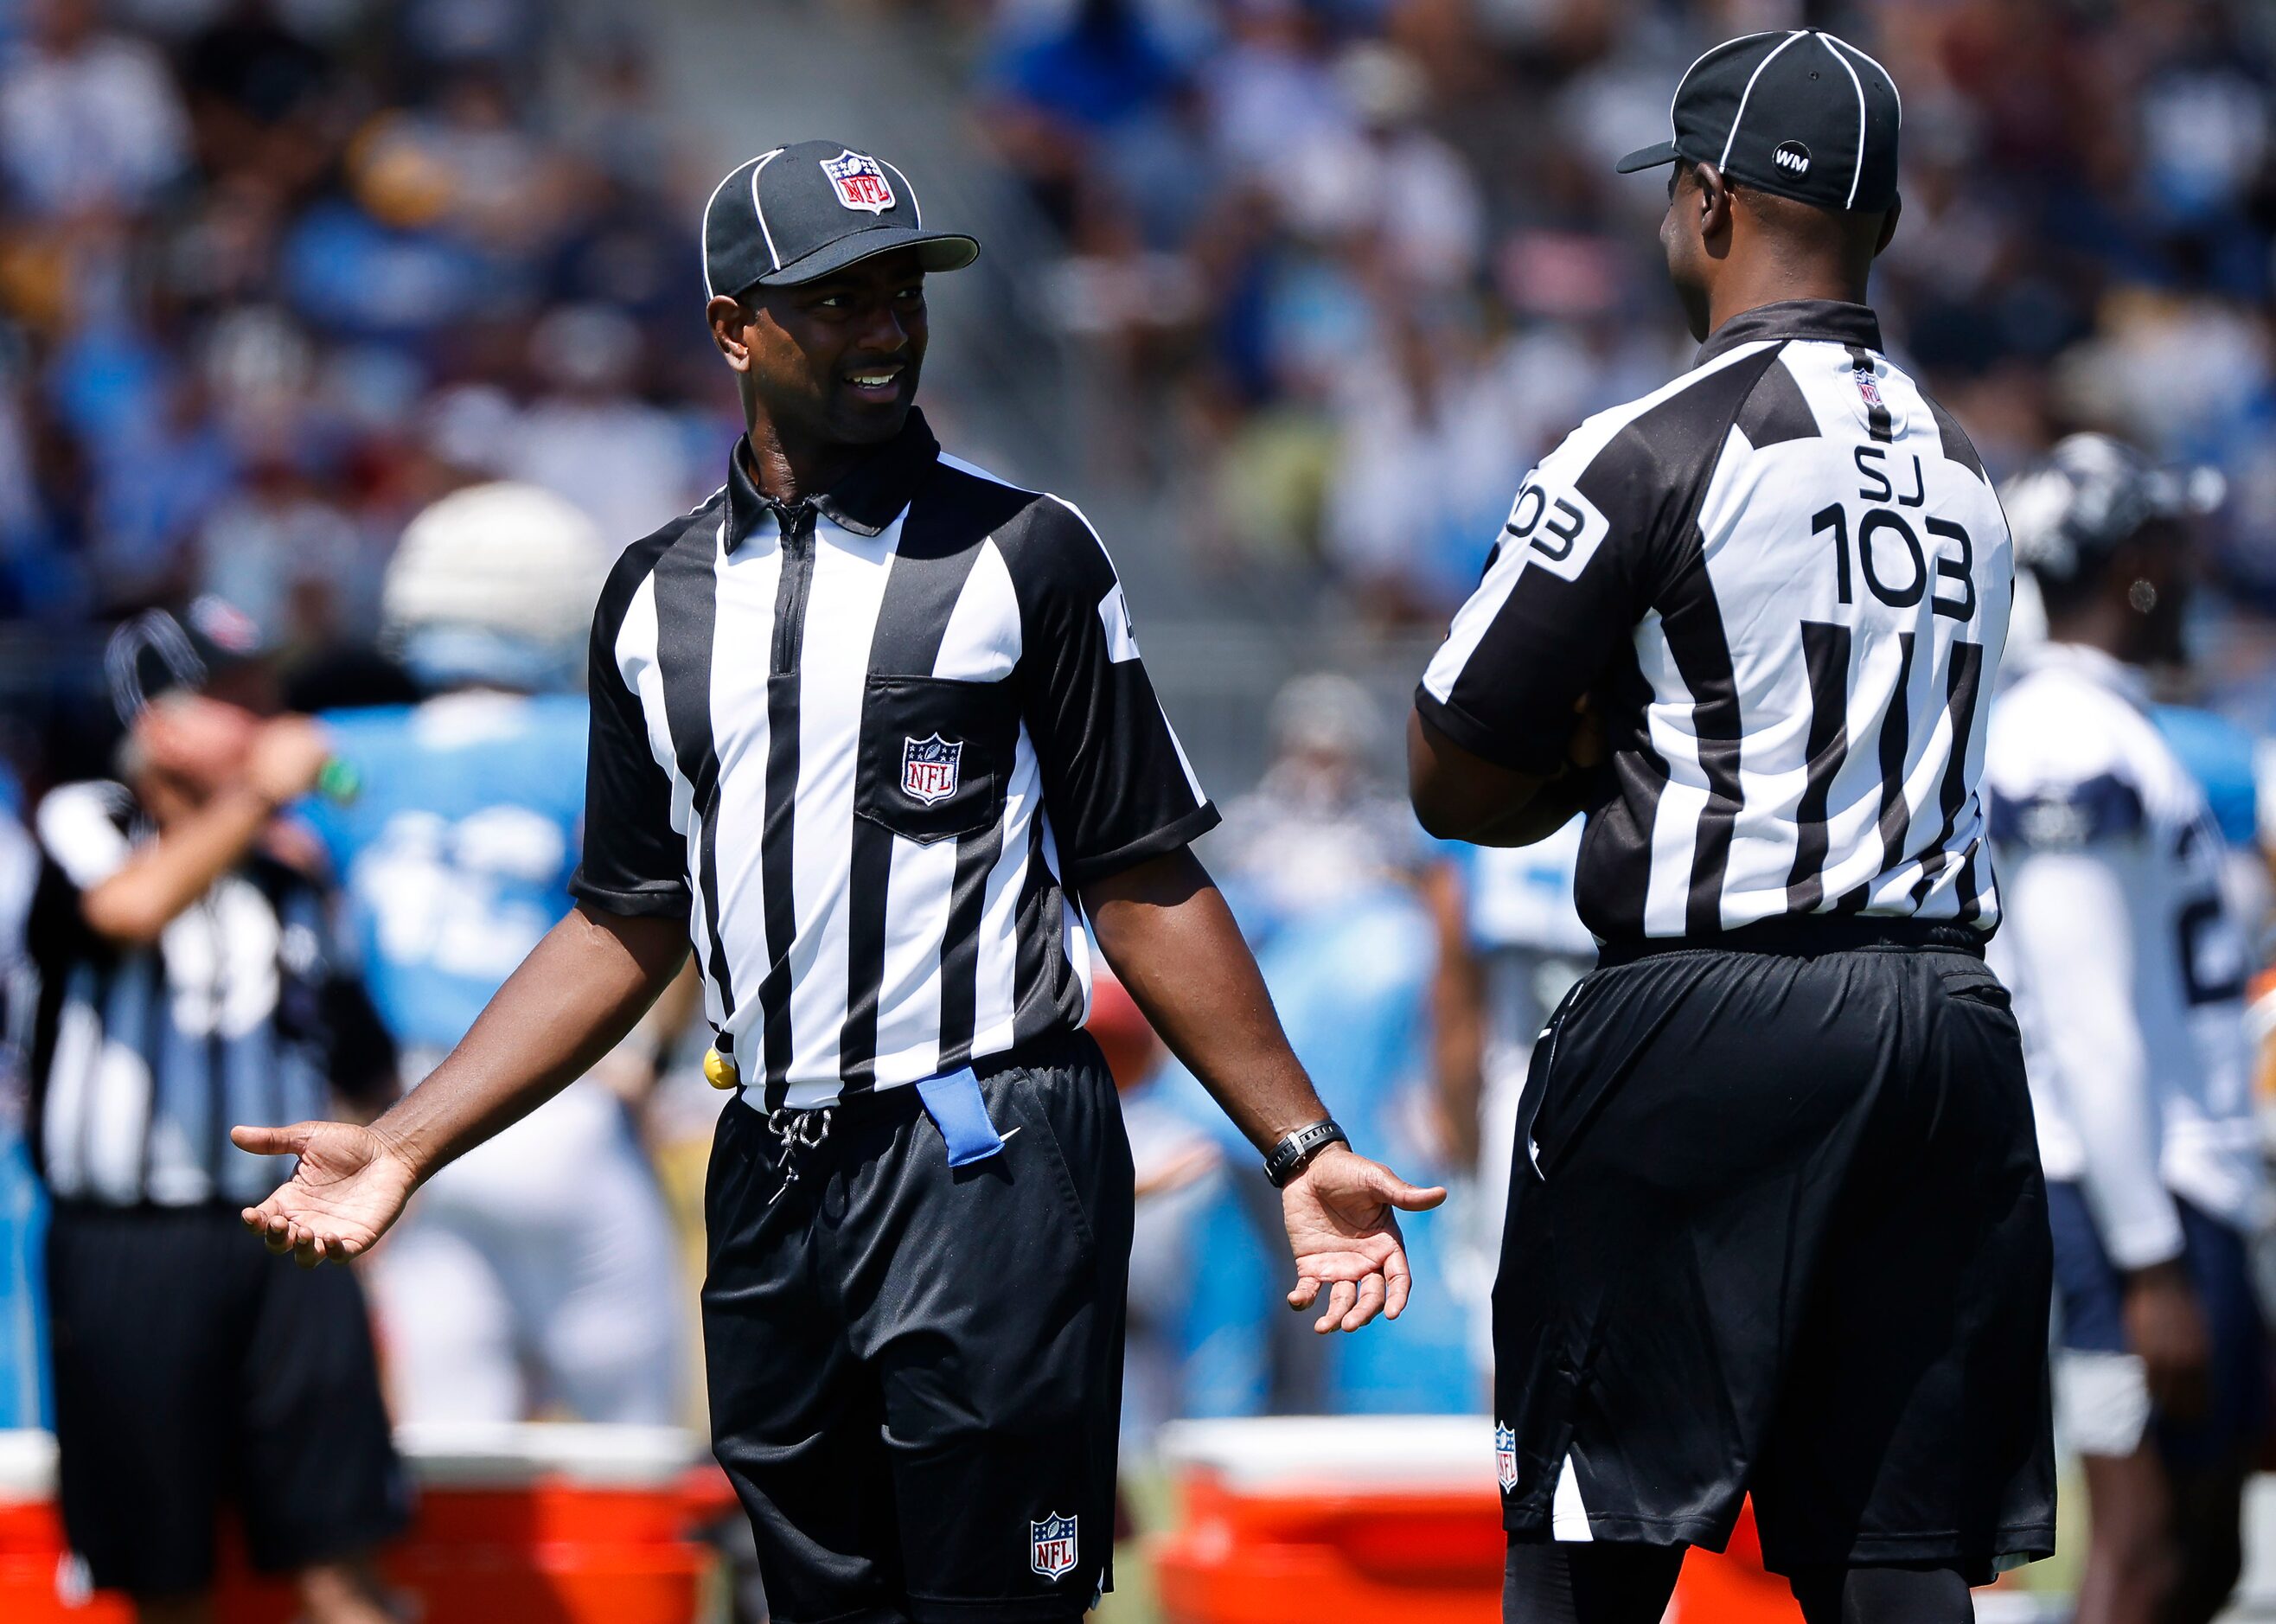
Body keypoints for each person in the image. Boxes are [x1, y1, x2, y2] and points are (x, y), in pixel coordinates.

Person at [233, 141, 1442, 1623]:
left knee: (997, 1601)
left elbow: (1139, 869)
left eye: (899, 290)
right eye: (835, 298)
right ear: (736, 324)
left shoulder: (1025, 553)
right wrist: (406, 1141)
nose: (885, 326)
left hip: (984, 1146)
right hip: (770, 1163)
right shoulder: (651, 596)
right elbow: (624, 916)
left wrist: (1297, 1138)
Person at [1406, 32, 2052, 1624]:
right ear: (1884, 225)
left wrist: (1594, 760)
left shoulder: (1648, 444)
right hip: (1947, 1024)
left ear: (1704, 203)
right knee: (1889, 1552)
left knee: (1586, 1533)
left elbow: (1444, 760)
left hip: (1711, 1013)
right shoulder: (1973, 475)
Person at [23, 614, 406, 1624]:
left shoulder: (292, 865)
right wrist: (254, 800)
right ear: (160, 723)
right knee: (164, 1574)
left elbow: (359, 1054)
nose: (268, 720)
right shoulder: (85, 818)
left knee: (341, 1554)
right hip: (128, 1244)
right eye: (236, 700)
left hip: (290, 1240)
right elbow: (124, 913)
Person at [297, 480, 687, 1425]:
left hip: (418, 1114)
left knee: (453, 1437)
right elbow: (665, 911)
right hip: (559, 1104)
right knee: (633, 1435)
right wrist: (638, 1061)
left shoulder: (339, 758)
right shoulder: (588, 742)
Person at [1986, 434, 2260, 1624]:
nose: (2195, 572)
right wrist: (2149, 1260)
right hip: (2129, 1197)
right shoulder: (2063, 738)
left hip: (2178, 1185)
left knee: (2200, 1559)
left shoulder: (2113, 724)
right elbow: (2089, 1020)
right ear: (2134, 561)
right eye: (2174, 546)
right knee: (2145, 1553)